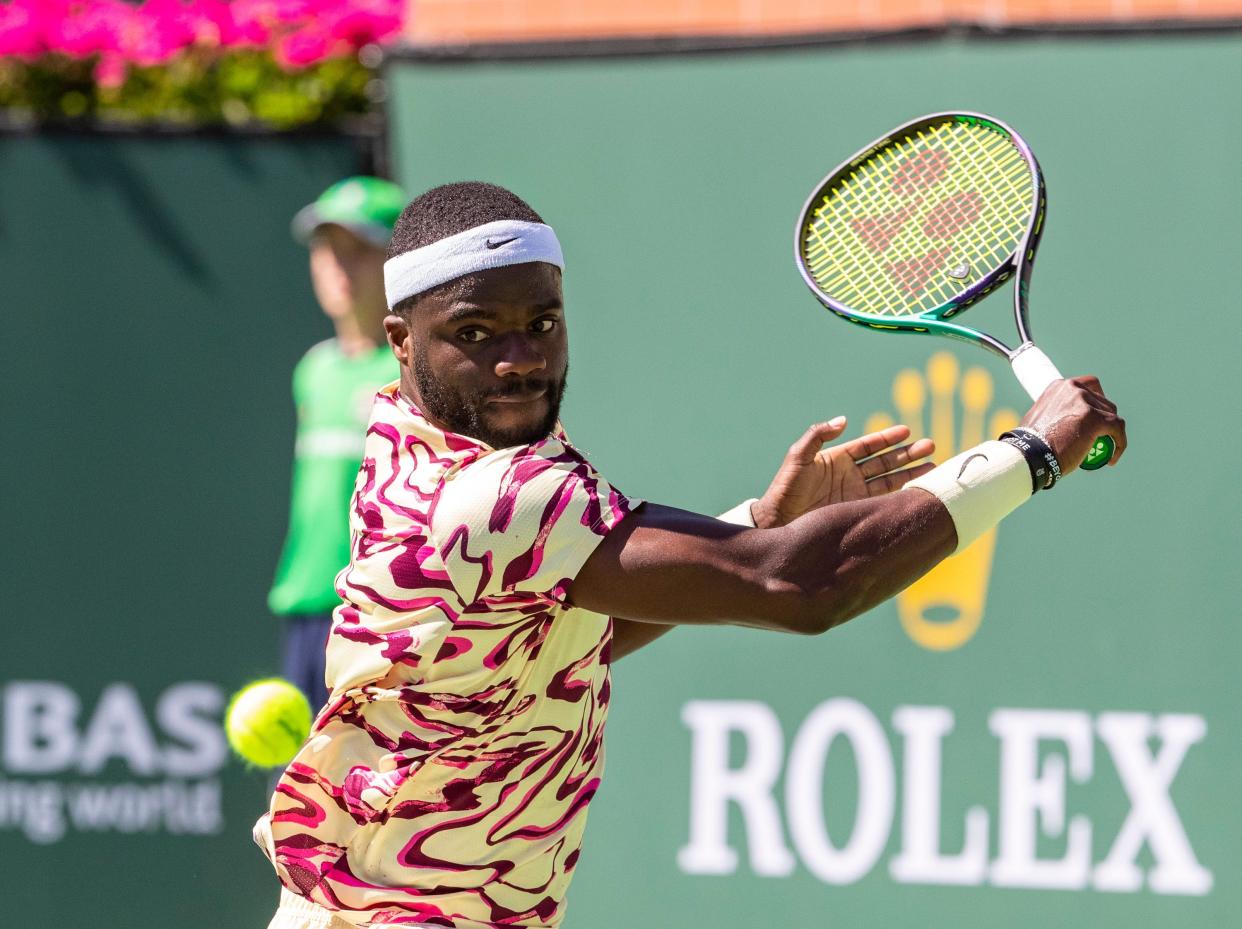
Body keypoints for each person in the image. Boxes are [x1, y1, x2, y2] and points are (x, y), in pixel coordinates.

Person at [255, 181, 1126, 929]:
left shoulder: (404, 441)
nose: (519, 359)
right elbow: (798, 584)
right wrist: (1030, 454)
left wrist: (752, 518)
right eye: (475, 333)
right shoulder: (504, 494)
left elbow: (550, 645)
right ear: (403, 339)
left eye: (541, 323)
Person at [268, 176, 405, 709]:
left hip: (381, 616)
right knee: (297, 789)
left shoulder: (414, 374)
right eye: (327, 250)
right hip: (305, 605)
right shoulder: (316, 369)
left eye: (360, 250)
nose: (338, 267)